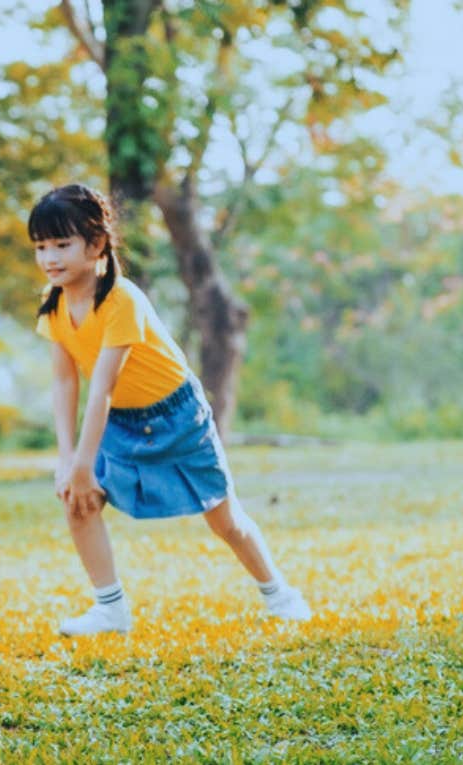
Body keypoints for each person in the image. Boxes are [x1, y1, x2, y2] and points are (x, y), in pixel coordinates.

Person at [30, 183, 311, 636]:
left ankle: (279, 594)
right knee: (77, 498)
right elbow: (65, 382)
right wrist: (69, 461)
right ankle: (110, 608)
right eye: (41, 247)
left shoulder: (121, 299)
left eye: (62, 244)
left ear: (97, 243)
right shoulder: (54, 305)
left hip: (176, 416)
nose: (50, 258)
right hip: (120, 421)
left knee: (225, 519)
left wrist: (84, 462)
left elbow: (101, 385)